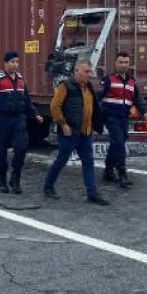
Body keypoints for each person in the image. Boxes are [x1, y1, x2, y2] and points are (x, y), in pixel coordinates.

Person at [43, 59, 108, 205]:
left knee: (88, 162)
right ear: (76, 70)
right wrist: (63, 124)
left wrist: (97, 125)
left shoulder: (89, 87)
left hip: (86, 133)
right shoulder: (66, 86)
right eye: (86, 71)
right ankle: (48, 186)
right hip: (70, 132)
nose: (88, 74)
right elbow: (54, 106)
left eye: (89, 72)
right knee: (62, 160)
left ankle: (92, 193)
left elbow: (94, 108)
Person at [0, 50, 43, 194]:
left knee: (21, 148)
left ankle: (15, 178)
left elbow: (27, 100)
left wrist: (35, 114)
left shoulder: (21, 80)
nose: (15, 65)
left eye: (17, 62)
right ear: (6, 63)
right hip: (3, 119)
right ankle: (3, 180)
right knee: (2, 151)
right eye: (12, 62)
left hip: (18, 119)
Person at [99, 51, 147, 188]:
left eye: (126, 62)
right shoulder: (108, 80)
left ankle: (108, 172)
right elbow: (98, 97)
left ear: (129, 64)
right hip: (110, 117)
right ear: (115, 63)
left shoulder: (131, 82)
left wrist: (144, 111)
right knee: (119, 144)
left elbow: (136, 99)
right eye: (121, 62)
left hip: (124, 118)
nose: (123, 65)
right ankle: (122, 174)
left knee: (116, 144)